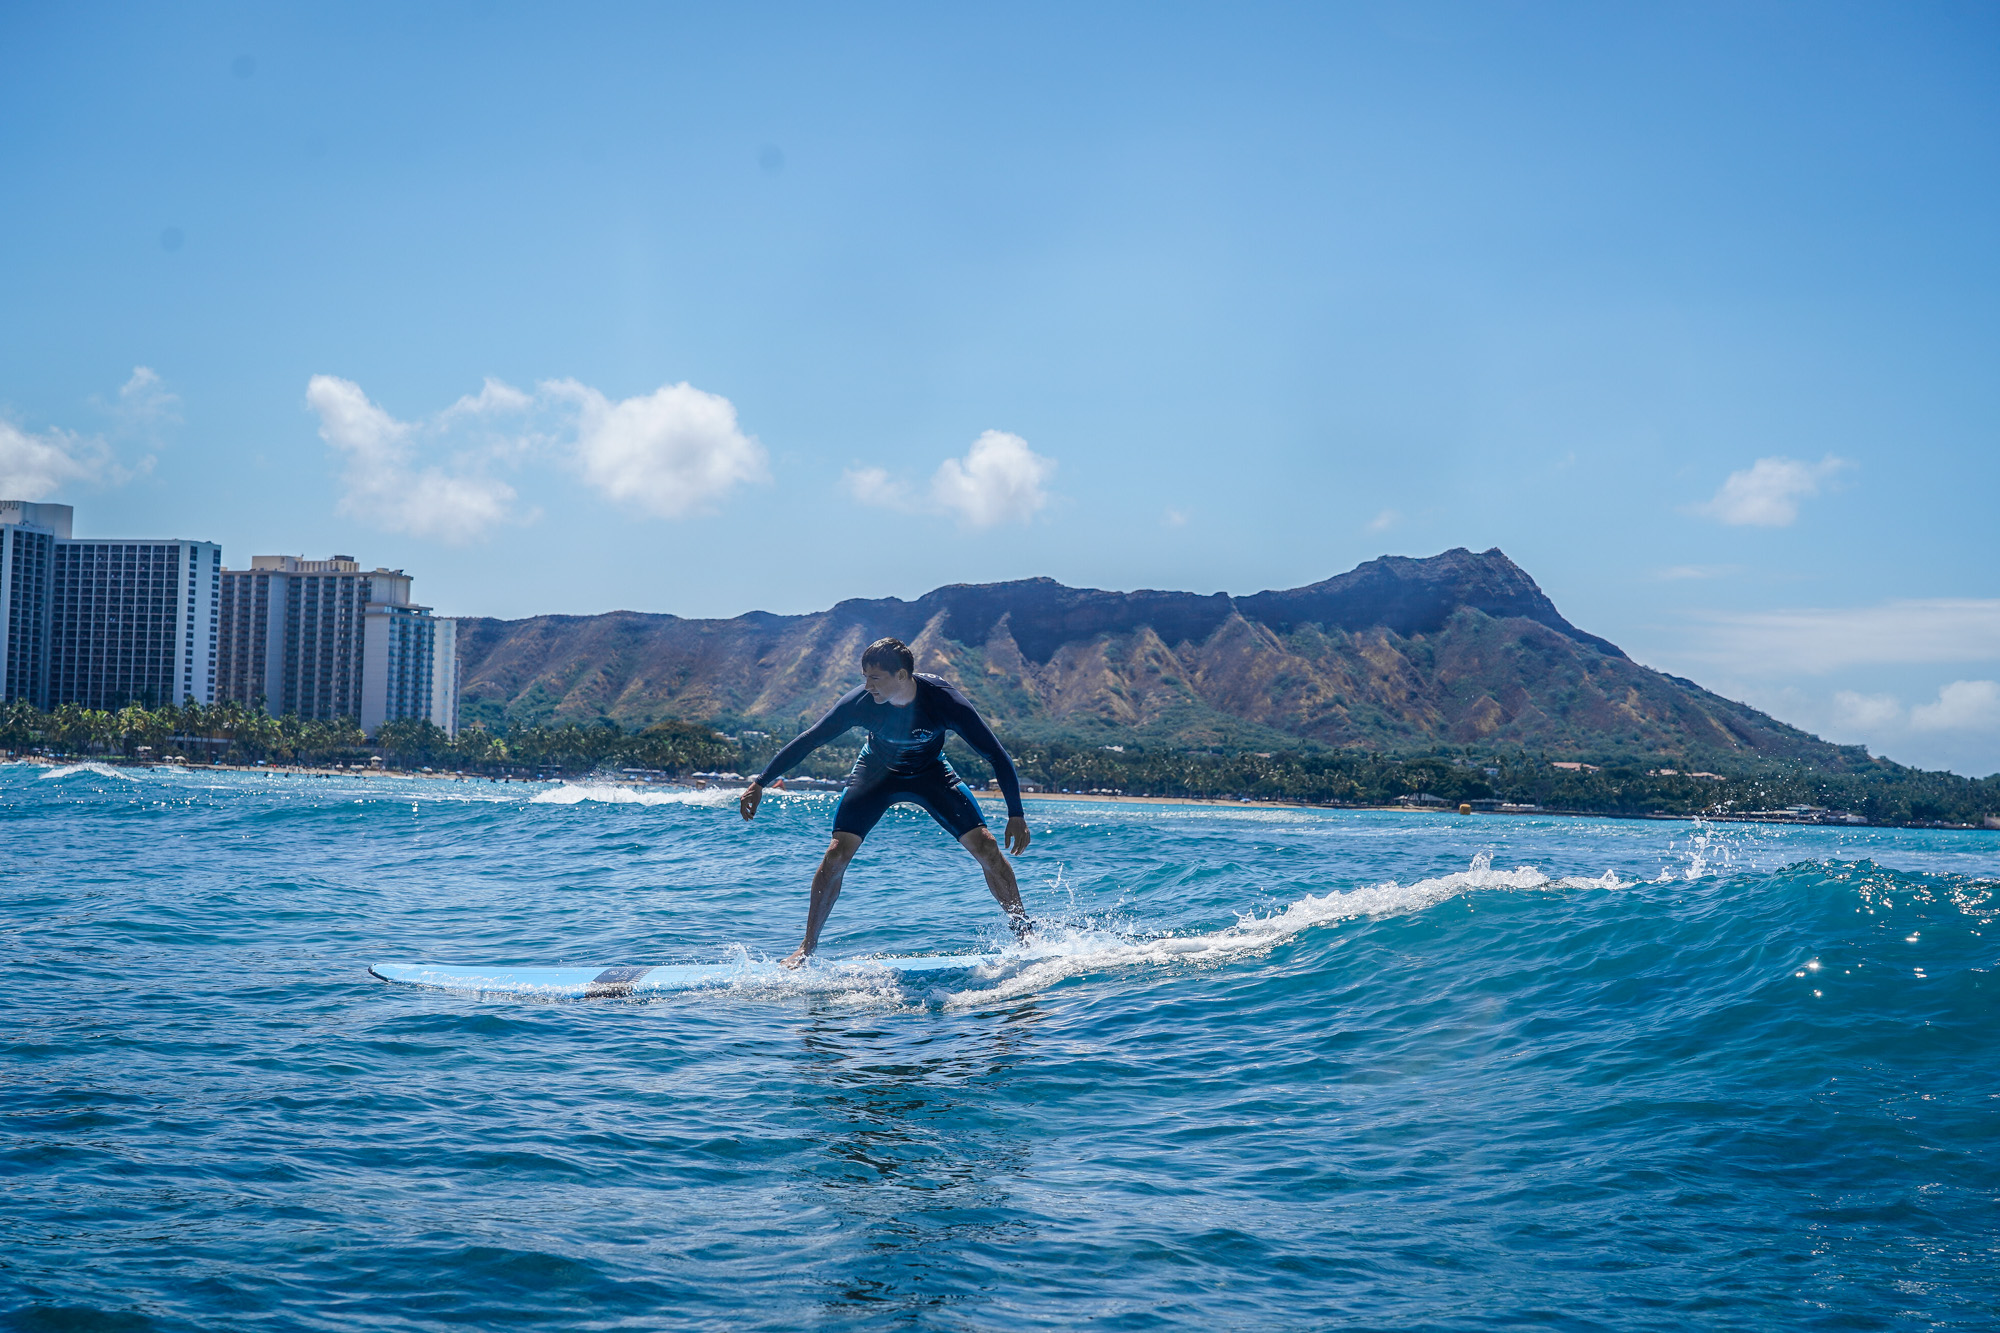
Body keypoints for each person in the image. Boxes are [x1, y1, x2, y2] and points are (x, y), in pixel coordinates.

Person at [738, 637, 1032, 967]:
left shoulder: (944, 701)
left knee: (988, 846)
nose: (867, 685)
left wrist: (1015, 814)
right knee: (836, 853)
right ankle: (807, 947)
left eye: (875, 678)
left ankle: (1024, 935)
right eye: (864, 676)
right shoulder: (860, 703)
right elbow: (811, 740)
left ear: (903, 676)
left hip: (930, 773)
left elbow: (996, 754)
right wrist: (761, 782)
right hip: (876, 772)